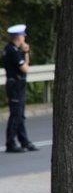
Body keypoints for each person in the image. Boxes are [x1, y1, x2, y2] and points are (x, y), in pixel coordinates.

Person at [3, 24, 38, 153]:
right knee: (16, 115)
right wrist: (25, 53)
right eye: (23, 35)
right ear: (18, 37)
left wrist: (26, 52)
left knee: (20, 115)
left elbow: (25, 66)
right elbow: (25, 68)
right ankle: (10, 142)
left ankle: (24, 141)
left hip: (18, 84)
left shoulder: (14, 50)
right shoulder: (12, 50)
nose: (24, 38)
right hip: (15, 85)